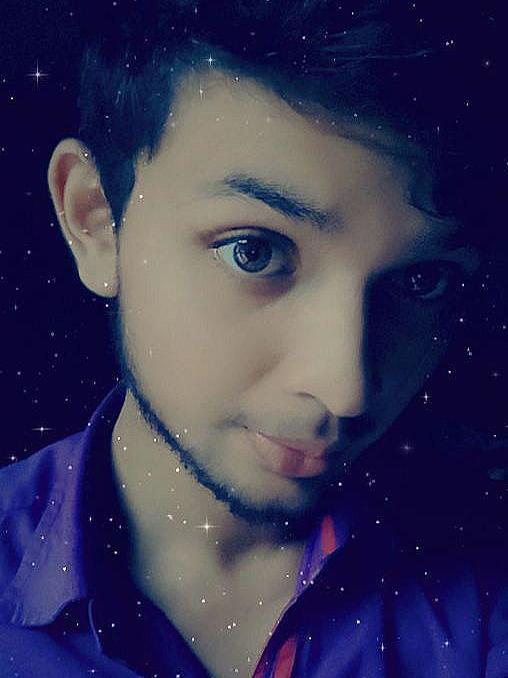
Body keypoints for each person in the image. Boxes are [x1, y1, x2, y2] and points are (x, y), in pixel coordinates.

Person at [1, 1, 507, 676]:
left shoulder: (482, 592)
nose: (346, 389)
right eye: (254, 252)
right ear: (96, 222)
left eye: (422, 281)